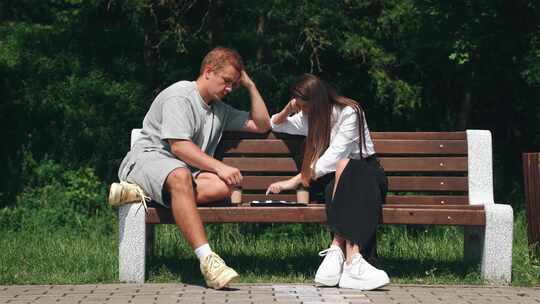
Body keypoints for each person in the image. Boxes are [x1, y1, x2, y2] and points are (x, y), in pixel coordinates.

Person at [108, 47, 271, 289]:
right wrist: (219, 166)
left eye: (234, 85)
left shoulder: (220, 110)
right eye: (226, 81)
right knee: (182, 176)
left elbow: (262, 125)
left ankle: (143, 193)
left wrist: (251, 86)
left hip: (181, 174)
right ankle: (208, 260)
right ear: (208, 72)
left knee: (223, 188)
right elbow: (180, 148)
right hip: (148, 160)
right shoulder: (181, 95)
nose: (229, 89)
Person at [266, 74, 389, 290]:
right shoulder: (310, 117)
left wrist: (295, 180)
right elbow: (275, 125)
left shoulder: (350, 112)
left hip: (369, 175)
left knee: (344, 166)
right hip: (337, 180)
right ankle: (352, 262)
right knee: (336, 182)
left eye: (306, 106)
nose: (303, 111)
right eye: (301, 107)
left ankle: (338, 252)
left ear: (318, 100)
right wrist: (288, 108)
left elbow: (335, 154)